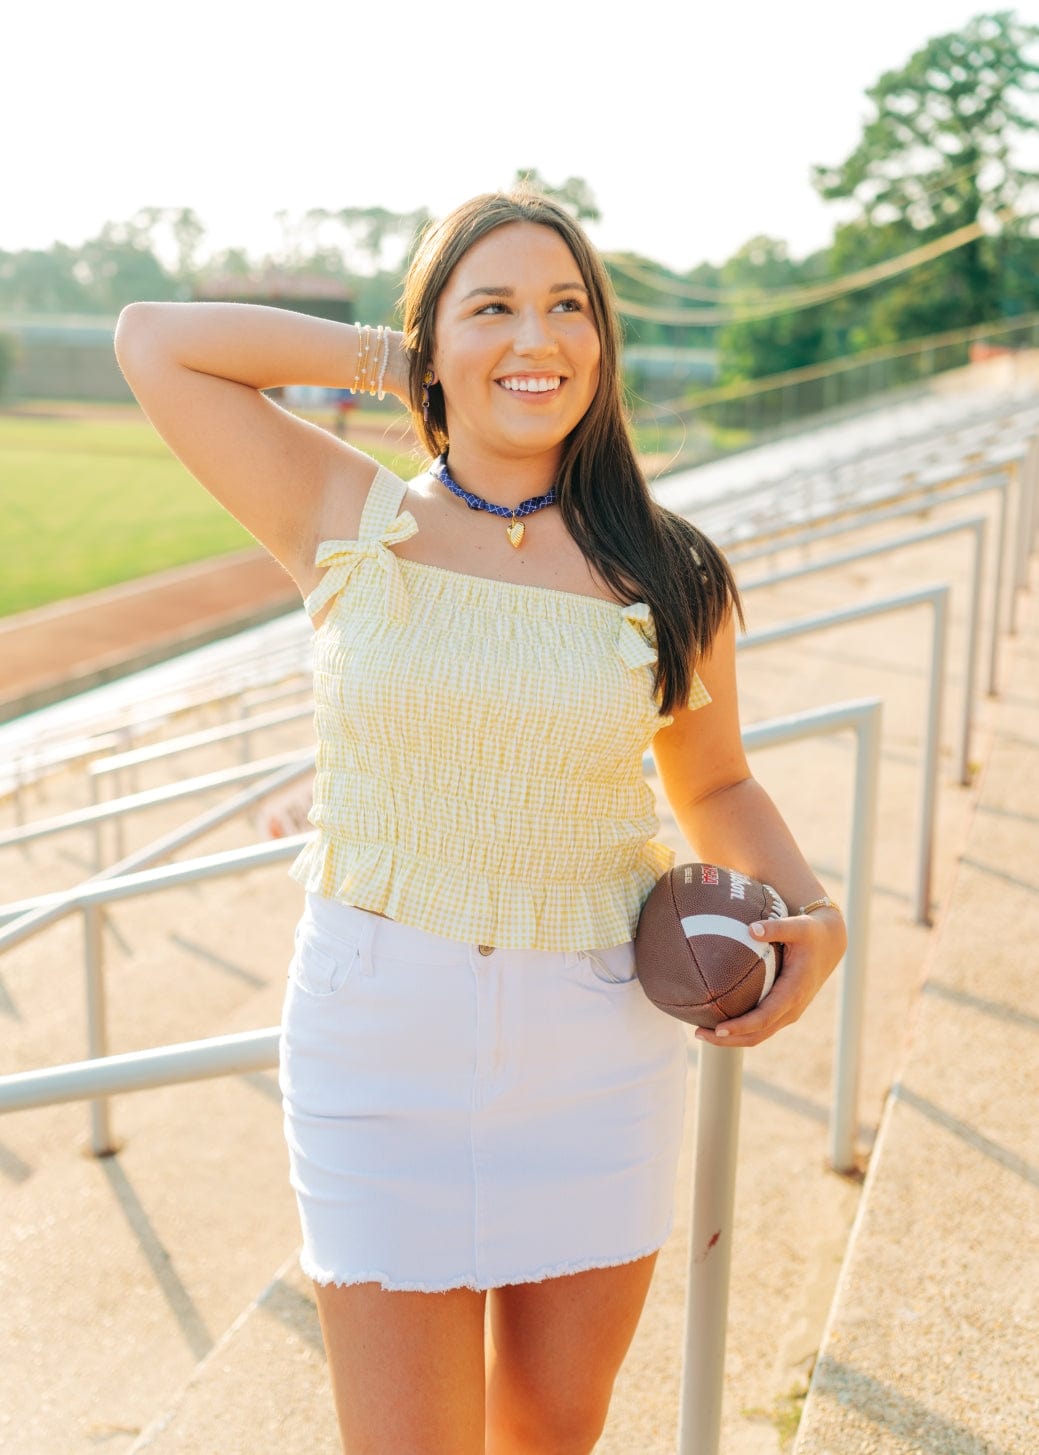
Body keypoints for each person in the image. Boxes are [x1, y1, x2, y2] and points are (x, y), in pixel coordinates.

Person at [114, 189, 846, 1455]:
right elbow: (153, 339)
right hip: (375, 1041)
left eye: (569, 309)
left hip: (598, 1047)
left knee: (549, 1436)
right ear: (429, 341)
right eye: (492, 307)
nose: (538, 337)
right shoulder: (350, 516)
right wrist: (403, 365)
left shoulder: (670, 571)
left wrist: (814, 913)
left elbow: (714, 785)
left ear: (603, 345)